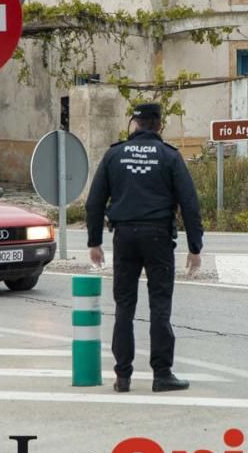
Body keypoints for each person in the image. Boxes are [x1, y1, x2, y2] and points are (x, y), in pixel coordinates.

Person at [85, 102, 203, 393]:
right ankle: (161, 374)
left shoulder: (114, 155)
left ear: (134, 124)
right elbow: (189, 202)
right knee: (159, 306)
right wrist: (194, 246)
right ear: (159, 124)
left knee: (124, 307)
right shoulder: (170, 157)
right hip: (158, 238)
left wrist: (94, 242)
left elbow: (94, 201)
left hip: (124, 237)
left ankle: (122, 376)